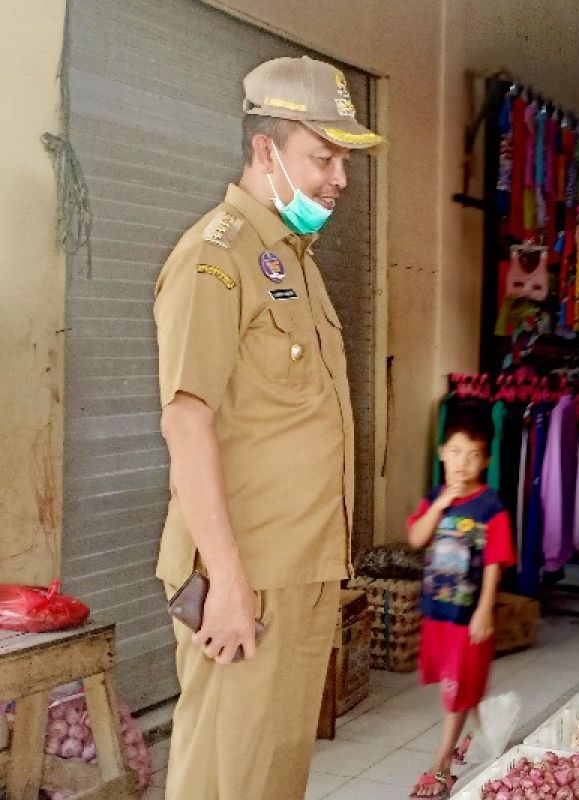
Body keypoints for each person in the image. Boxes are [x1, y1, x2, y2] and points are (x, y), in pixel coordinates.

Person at [153, 55, 382, 799]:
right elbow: (187, 423)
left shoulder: (294, 259)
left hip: (301, 572)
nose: (339, 179)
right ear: (264, 150)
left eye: (343, 160)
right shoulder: (214, 259)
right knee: (227, 779)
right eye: (322, 157)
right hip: (244, 578)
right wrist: (224, 579)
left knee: (274, 779)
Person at [407, 403, 516, 799]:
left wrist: (485, 609)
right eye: (455, 452)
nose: (462, 463)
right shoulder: (436, 498)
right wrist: (438, 505)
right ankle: (491, 733)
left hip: (469, 617)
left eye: (472, 455)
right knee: (459, 686)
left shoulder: (491, 507)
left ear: (485, 460)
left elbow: (494, 561)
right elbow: (417, 539)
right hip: (438, 613)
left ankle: (441, 764)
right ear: (441, 454)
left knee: (456, 688)